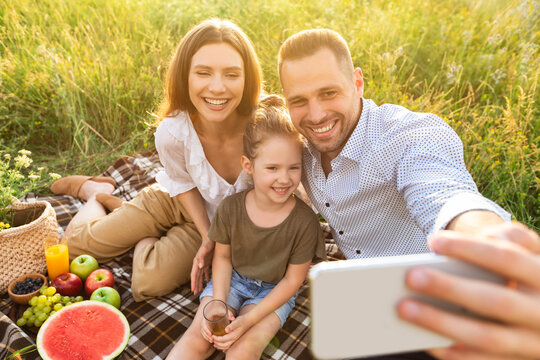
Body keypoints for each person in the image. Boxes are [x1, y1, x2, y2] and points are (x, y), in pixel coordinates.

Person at [277, 29, 540, 360]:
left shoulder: (407, 136)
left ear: (358, 82)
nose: (315, 116)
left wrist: (487, 240)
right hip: (369, 296)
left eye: (329, 93)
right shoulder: (298, 149)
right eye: (298, 101)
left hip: (441, 302)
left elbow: (443, 192)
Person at [49, 18, 263, 301]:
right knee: (74, 249)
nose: (217, 87)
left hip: (222, 224)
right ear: (185, 76)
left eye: (232, 75)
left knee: (146, 285)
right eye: (203, 73)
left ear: (248, 79)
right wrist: (209, 237)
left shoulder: (266, 128)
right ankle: (95, 192)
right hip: (177, 201)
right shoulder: (173, 132)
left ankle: (129, 216)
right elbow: (182, 184)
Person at [166, 95, 325, 359]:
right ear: (248, 166)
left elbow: (293, 280)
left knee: (243, 349)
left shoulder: (305, 221)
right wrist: (218, 301)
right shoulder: (231, 208)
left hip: (274, 292)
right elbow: (223, 257)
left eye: (293, 168)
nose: (284, 179)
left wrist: (248, 321)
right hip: (232, 281)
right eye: (272, 168)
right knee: (200, 337)